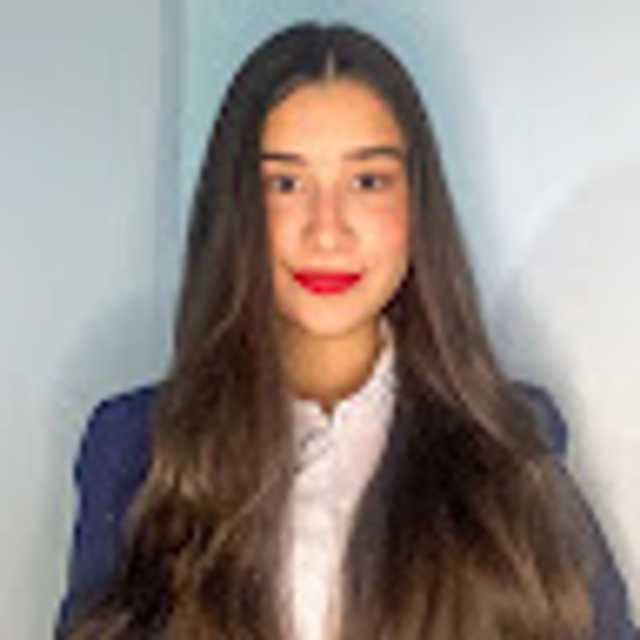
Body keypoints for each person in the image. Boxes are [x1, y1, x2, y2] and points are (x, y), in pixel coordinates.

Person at [57, 21, 636, 640]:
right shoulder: (136, 449)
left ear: (417, 204)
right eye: (286, 184)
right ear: (236, 210)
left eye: (367, 182)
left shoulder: (510, 441)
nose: (327, 230)